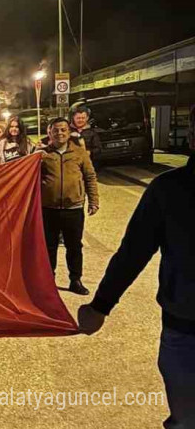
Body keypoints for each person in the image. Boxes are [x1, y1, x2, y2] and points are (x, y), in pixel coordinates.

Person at [77, 128, 194, 428]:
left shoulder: (168, 189)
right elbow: (134, 253)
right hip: (185, 329)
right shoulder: (169, 190)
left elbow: (133, 253)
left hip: (185, 331)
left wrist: (100, 307)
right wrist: (101, 305)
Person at [38, 117, 99, 296]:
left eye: (63, 130)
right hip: (49, 208)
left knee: (74, 246)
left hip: (73, 208)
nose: (60, 133)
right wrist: (35, 156)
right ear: (49, 133)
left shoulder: (79, 153)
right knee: (49, 247)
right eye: (55, 130)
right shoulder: (43, 154)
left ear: (68, 132)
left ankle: (75, 280)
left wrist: (94, 200)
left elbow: (90, 177)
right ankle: (49, 280)